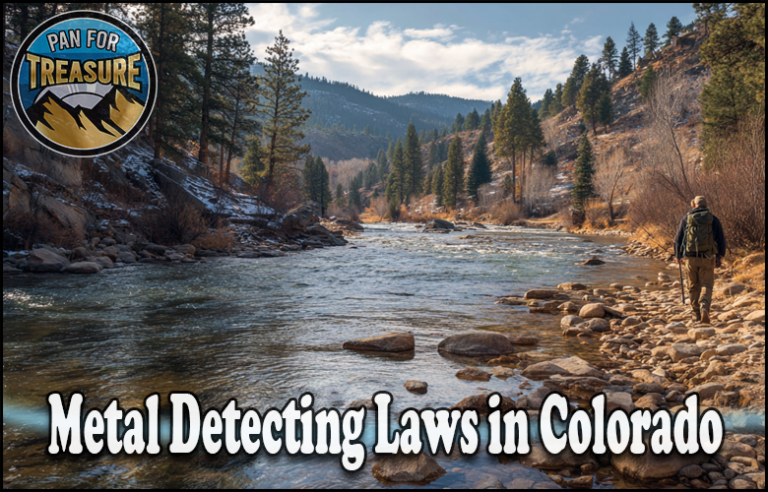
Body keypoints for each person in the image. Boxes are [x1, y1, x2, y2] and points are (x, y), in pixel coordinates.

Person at [674, 196, 727, 324]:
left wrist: (678, 255)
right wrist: (720, 256)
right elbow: (721, 239)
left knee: (693, 286)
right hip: (708, 258)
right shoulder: (713, 219)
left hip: (690, 258)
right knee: (706, 285)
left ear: (694, 205)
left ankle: (695, 314)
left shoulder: (686, 219)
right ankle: (704, 307)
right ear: (706, 205)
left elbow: (678, 239)